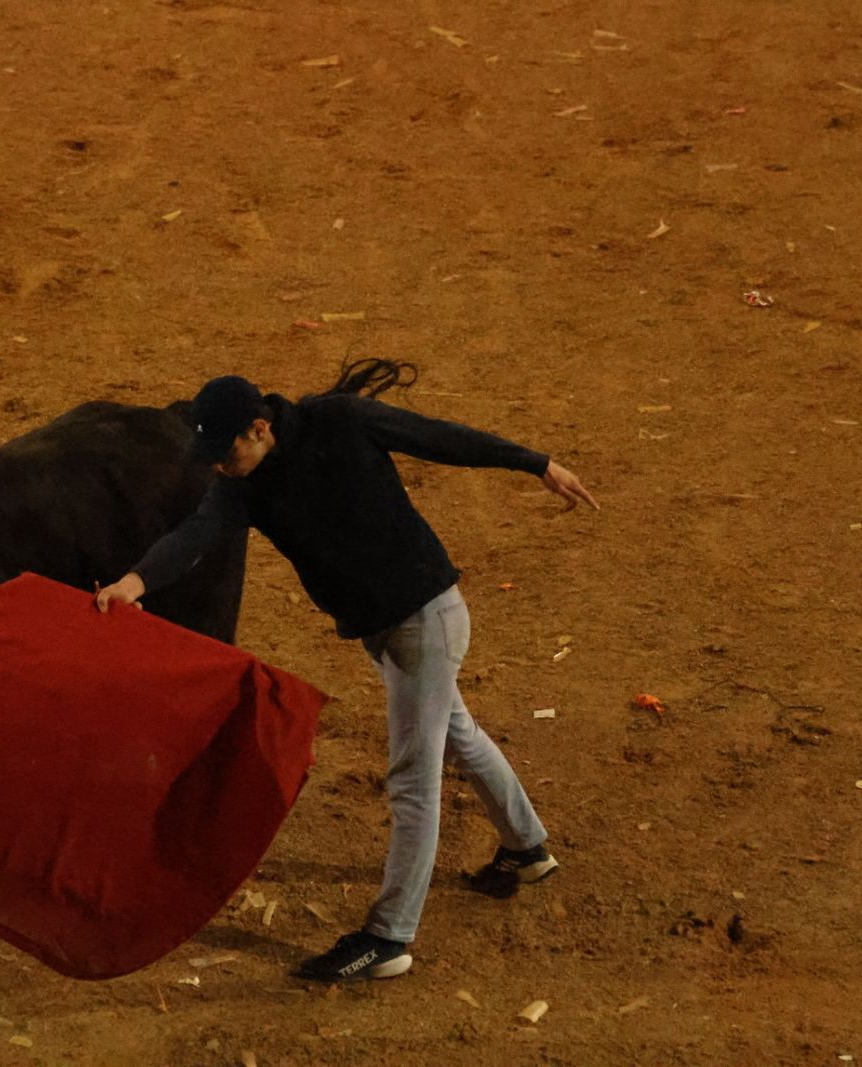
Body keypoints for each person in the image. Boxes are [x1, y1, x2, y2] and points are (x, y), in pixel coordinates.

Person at [95, 360, 597, 983]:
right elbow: (197, 533)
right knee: (455, 734)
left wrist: (534, 462)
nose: (218, 467)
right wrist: (133, 581)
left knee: (413, 779)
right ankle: (526, 849)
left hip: (424, 620)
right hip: (386, 629)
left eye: (225, 453)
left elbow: (438, 437)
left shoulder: (342, 420)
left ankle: (390, 938)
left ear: (259, 428)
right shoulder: (242, 484)